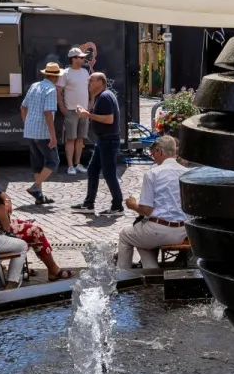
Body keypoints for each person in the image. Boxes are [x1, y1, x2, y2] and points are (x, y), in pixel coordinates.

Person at [117, 135, 190, 270]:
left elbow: (146, 210)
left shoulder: (153, 173)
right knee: (140, 236)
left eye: (153, 155)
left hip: (159, 230)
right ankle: (152, 271)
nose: (153, 158)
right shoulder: (187, 173)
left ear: (159, 152)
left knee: (126, 235)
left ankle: (123, 275)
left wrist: (132, 205)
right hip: (182, 230)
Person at [74, 72, 124, 214]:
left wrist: (87, 115)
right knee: (92, 169)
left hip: (108, 140)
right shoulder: (101, 96)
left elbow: (109, 119)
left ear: (101, 82)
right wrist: (85, 111)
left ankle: (117, 206)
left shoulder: (105, 97)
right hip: (103, 140)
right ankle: (89, 204)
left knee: (109, 174)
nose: (88, 83)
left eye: (91, 80)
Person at [20, 61, 61, 204]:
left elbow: (23, 107)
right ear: (56, 77)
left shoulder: (34, 86)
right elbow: (48, 113)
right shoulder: (51, 90)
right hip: (43, 133)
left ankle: (39, 196)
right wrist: (53, 136)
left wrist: (28, 123)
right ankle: (35, 187)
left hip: (30, 131)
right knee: (53, 161)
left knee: (37, 163)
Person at [59, 46, 94, 174]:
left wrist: (91, 101)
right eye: (81, 57)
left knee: (80, 138)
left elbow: (90, 88)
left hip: (83, 111)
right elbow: (59, 90)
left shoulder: (85, 72)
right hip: (71, 110)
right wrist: (62, 107)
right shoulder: (65, 73)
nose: (84, 59)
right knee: (70, 139)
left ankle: (77, 163)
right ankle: (70, 166)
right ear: (74, 59)